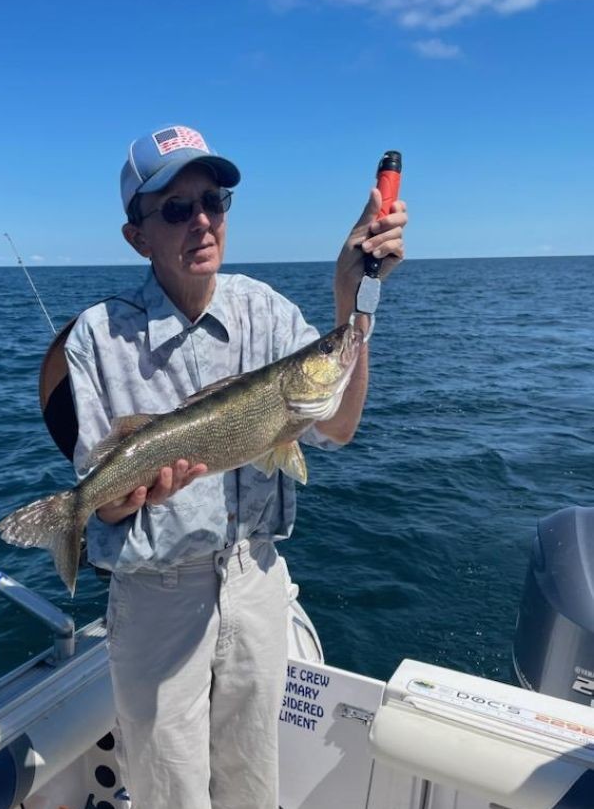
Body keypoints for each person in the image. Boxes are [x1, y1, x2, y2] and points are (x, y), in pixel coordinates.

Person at [63, 124, 407, 809]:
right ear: (137, 236)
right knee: (169, 792)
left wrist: (353, 303)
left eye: (213, 202)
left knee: (252, 785)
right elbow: (105, 503)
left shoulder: (267, 312)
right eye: (176, 208)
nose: (201, 220)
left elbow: (336, 425)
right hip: (157, 596)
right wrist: (130, 495)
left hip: (256, 581)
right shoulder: (97, 337)